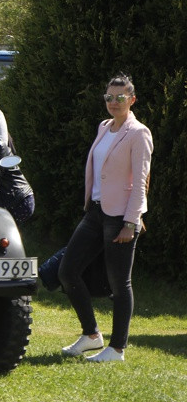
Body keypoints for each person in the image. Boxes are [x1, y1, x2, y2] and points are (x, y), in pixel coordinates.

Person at [58, 74, 153, 363]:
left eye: (120, 97)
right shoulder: (104, 126)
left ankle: (117, 349)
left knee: (119, 283)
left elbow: (140, 182)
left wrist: (130, 222)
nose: (114, 102)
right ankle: (91, 335)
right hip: (96, 211)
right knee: (67, 271)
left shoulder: (139, 133)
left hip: (120, 217)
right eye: (109, 97)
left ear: (132, 100)